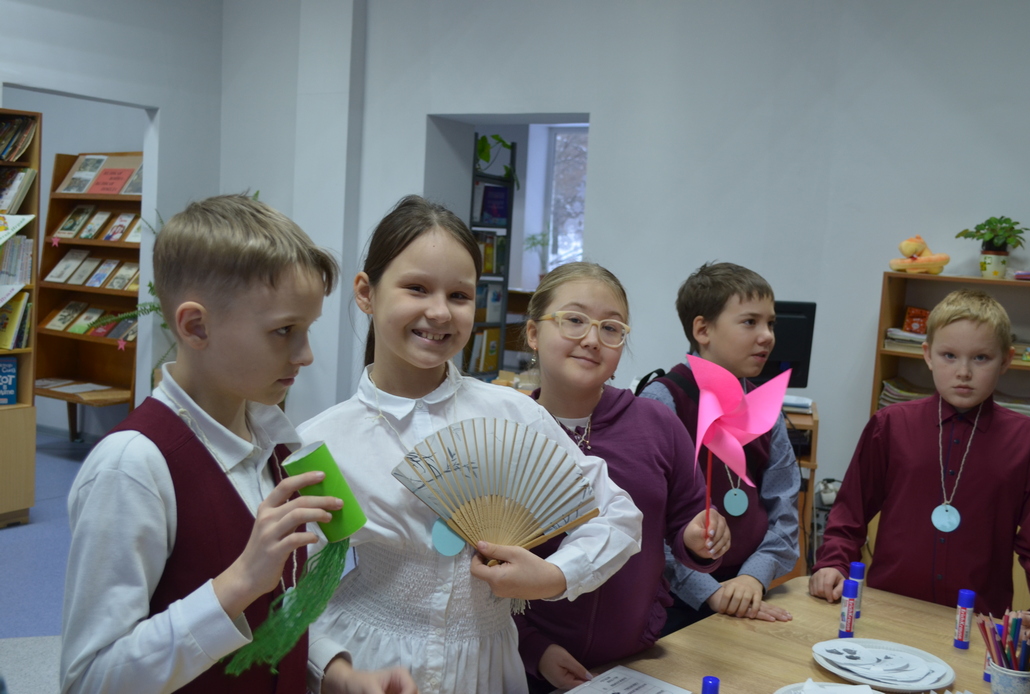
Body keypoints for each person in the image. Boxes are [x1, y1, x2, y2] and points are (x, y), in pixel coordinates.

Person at [60, 194, 415, 694]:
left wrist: (337, 675)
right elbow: (91, 680)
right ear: (196, 326)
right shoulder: (132, 466)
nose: (306, 355)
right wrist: (237, 584)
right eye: (284, 331)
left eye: (307, 329)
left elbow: (279, 607)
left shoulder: (279, 446)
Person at [299, 195, 643, 694]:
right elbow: (295, 589)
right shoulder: (322, 442)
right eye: (417, 288)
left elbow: (617, 514)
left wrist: (556, 574)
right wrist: (336, 670)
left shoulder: (514, 416)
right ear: (366, 293)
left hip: (488, 668)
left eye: (460, 295)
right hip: (370, 665)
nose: (439, 312)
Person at [513, 262, 730, 692]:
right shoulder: (506, 430)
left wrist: (701, 539)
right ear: (534, 333)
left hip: (637, 662)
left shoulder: (657, 424)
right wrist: (534, 649)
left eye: (611, 328)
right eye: (574, 320)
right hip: (528, 666)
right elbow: (477, 569)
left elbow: (688, 527)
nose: (592, 339)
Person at [810, 289, 1030, 616]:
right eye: (949, 355)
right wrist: (833, 563)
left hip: (975, 620)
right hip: (886, 609)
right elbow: (850, 512)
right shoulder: (889, 425)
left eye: (981, 358)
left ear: (1006, 360)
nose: (963, 372)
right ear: (928, 355)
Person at [638, 261, 799, 626]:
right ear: (703, 329)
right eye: (750, 322)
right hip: (673, 598)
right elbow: (645, 522)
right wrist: (707, 590)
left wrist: (754, 576)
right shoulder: (661, 403)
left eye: (771, 323)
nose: (767, 336)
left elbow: (785, 506)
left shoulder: (766, 410)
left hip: (747, 591)